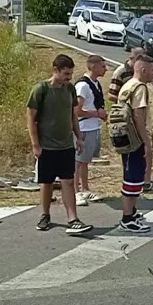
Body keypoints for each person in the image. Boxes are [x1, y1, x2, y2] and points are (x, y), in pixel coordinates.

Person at [26, 54, 94, 234]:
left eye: (71, 74)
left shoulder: (70, 89)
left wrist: (78, 137)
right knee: (46, 183)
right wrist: (36, 145)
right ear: (55, 70)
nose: (69, 77)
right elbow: (31, 119)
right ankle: (45, 215)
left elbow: (73, 115)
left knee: (68, 181)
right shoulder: (41, 89)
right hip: (46, 146)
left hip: (66, 145)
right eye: (66, 73)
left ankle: (73, 218)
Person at [115, 55, 153, 233]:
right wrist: (146, 142)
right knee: (133, 178)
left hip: (123, 136)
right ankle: (127, 218)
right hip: (134, 138)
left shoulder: (127, 85)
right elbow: (138, 116)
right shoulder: (140, 88)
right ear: (143, 70)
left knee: (130, 173)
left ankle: (131, 212)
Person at [74, 55, 108, 206]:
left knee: (85, 161)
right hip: (83, 127)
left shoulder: (96, 84)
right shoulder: (83, 85)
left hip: (93, 126)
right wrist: (96, 114)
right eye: (102, 66)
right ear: (93, 67)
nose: (105, 69)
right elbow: (76, 110)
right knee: (77, 161)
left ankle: (85, 188)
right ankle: (75, 191)